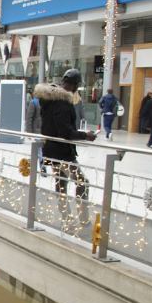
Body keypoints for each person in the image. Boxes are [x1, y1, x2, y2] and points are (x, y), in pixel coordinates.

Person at [34, 70, 96, 227]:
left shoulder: (49, 100)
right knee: (82, 182)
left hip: (51, 150)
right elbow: (66, 132)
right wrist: (85, 135)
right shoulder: (63, 103)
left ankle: (66, 218)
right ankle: (82, 218)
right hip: (63, 153)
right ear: (74, 85)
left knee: (61, 183)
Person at [25, 89, 46, 175]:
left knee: (39, 150)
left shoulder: (46, 103)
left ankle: (33, 166)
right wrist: (29, 132)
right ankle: (42, 167)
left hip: (43, 130)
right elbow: (29, 118)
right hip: (36, 131)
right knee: (39, 149)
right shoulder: (34, 102)